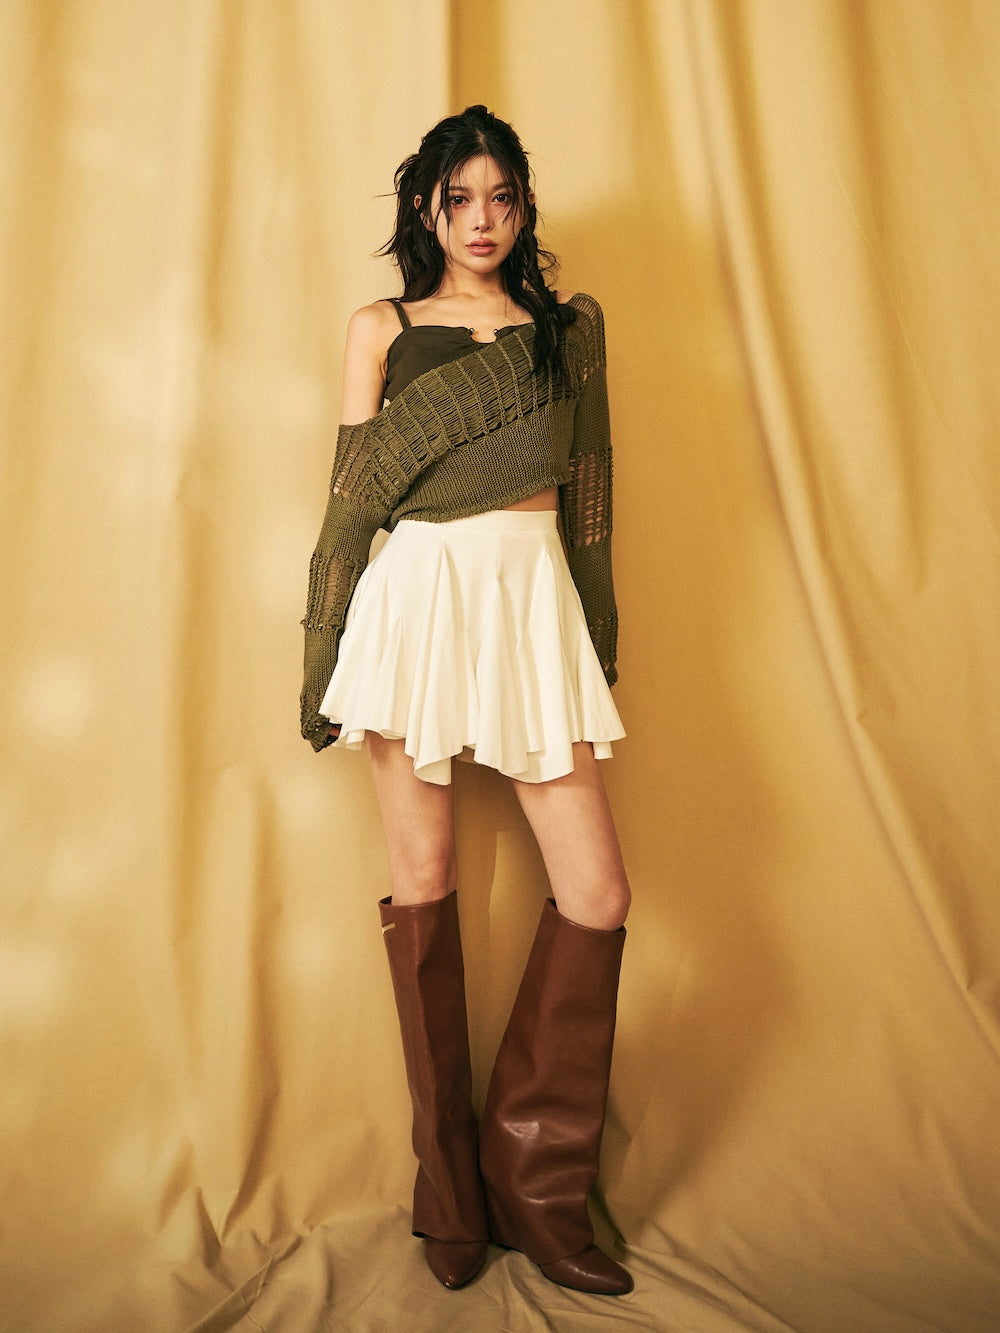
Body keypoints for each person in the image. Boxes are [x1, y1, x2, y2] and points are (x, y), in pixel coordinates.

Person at [300, 106, 632, 1297]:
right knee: (426, 880)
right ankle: (448, 1196)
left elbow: (588, 495)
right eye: (459, 200)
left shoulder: (568, 329)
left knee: (596, 892)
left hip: (531, 604)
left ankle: (537, 1192)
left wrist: (596, 637)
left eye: (501, 197)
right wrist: (320, 653)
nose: (482, 220)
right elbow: (350, 506)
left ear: (523, 206)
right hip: (417, 604)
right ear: (426, 211)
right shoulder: (382, 328)